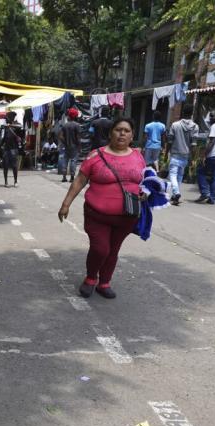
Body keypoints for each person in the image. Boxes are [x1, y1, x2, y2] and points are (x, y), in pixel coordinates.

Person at [57, 117, 146, 300]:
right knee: (100, 249)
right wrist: (66, 204)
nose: (122, 133)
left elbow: (145, 181)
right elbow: (80, 180)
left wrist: (146, 193)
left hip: (127, 216)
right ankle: (91, 278)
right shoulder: (95, 155)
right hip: (97, 214)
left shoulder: (138, 155)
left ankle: (104, 282)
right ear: (110, 133)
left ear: (132, 135)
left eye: (126, 131)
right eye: (118, 129)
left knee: (113, 250)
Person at [166, 104, 199, 205]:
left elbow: (170, 141)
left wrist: (166, 152)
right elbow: (194, 145)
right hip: (185, 155)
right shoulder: (195, 126)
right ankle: (176, 194)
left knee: (172, 175)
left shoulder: (175, 125)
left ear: (183, 113)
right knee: (179, 176)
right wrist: (193, 158)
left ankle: (176, 193)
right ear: (192, 113)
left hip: (175, 154)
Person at [0, 111, 23, 187]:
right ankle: (6, 182)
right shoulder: (6, 127)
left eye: (8, 117)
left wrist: (11, 125)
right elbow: (4, 138)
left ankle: (15, 181)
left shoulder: (16, 125)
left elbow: (21, 126)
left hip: (13, 149)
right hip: (6, 149)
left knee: (14, 166)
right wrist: (0, 146)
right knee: (5, 166)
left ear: (12, 117)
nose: (7, 119)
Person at [60, 108, 82, 183]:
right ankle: (72, 177)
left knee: (65, 160)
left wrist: (65, 142)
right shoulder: (77, 125)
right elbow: (78, 138)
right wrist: (79, 147)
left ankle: (64, 177)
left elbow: (60, 136)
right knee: (73, 161)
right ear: (75, 116)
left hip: (66, 146)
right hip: (74, 146)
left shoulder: (65, 125)